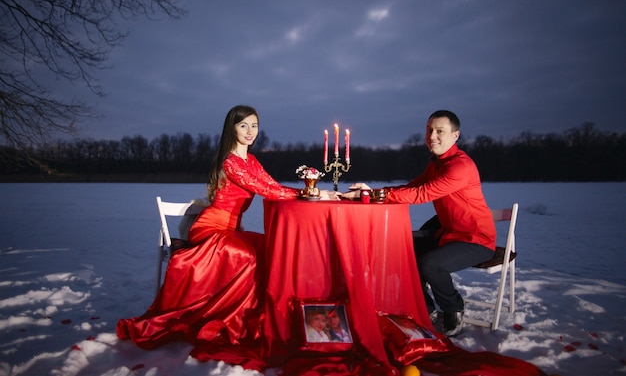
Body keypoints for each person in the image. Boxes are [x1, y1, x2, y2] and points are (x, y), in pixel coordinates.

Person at [116, 105, 336, 367]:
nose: (250, 131)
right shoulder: (231, 162)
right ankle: (235, 317)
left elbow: (273, 186)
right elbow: (265, 191)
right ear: (231, 129)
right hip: (211, 228)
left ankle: (263, 312)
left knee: (271, 246)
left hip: (231, 229)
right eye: (243, 125)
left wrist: (311, 190)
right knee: (250, 255)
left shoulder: (251, 161)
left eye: (254, 125)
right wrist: (312, 194)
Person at [348, 110, 496, 337]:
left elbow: (422, 194)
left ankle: (453, 307)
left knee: (429, 264)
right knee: (398, 247)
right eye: (429, 130)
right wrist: (373, 192)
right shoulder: (436, 163)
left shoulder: (460, 167)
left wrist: (378, 194)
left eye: (439, 131)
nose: (432, 136)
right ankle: (424, 307)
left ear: (455, 136)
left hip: (475, 239)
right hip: (447, 233)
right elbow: (412, 186)